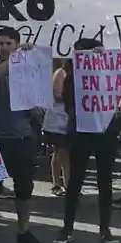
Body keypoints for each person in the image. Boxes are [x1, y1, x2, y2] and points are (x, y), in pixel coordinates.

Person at [0, 28, 46, 243]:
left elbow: (40, 109)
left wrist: (37, 111)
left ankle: (23, 231)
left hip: (23, 136)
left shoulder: (30, 70)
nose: (4, 47)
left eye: (9, 44)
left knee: (24, 188)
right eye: (1, 43)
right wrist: (18, 57)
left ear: (17, 44)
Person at [55, 37, 118, 243]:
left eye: (85, 53)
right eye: (77, 53)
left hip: (105, 133)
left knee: (105, 182)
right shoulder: (72, 77)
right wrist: (81, 120)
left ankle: (105, 229)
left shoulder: (109, 73)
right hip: (81, 133)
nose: (80, 57)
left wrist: (105, 59)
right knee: (75, 182)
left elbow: (120, 88)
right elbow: (67, 104)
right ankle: (67, 228)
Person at [43, 60, 71, 198]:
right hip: (57, 119)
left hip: (67, 119)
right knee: (60, 152)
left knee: (64, 153)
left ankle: (66, 183)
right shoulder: (61, 73)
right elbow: (57, 95)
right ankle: (59, 184)